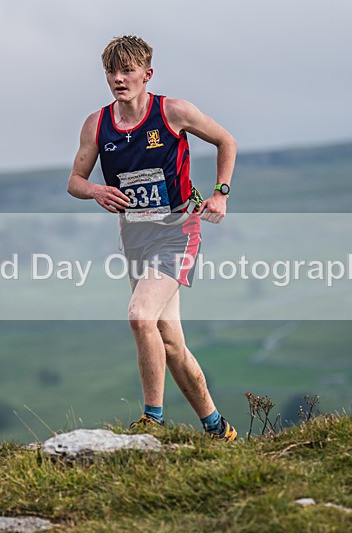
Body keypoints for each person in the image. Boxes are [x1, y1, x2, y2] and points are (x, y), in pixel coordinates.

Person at [67, 35, 237, 441]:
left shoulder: (173, 111)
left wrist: (221, 193)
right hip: (135, 238)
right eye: (112, 71)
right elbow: (74, 181)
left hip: (179, 231)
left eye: (127, 71)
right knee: (170, 342)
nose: (118, 79)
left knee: (139, 315)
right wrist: (96, 190)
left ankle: (152, 420)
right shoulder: (97, 124)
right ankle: (218, 428)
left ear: (148, 73)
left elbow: (226, 141)